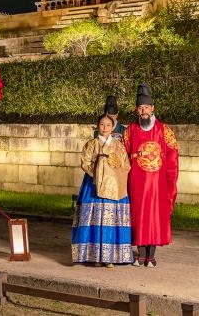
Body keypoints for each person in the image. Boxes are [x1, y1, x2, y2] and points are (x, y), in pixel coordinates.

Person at [122, 83, 179, 268]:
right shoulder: (129, 131)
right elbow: (122, 156)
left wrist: (170, 179)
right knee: (138, 215)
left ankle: (151, 255)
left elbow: (173, 156)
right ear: (136, 110)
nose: (143, 111)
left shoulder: (164, 130)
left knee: (154, 216)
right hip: (137, 183)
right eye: (140, 108)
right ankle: (141, 254)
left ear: (153, 108)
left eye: (146, 107)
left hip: (157, 184)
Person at [71, 114, 133, 267]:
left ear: (113, 128)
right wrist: (100, 172)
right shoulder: (91, 144)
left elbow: (126, 165)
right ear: (97, 126)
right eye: (102, 124)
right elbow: (85, 163)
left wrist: (113, 172)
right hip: (93, 184)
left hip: (114, 187)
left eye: (108, 125)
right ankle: (93, 255)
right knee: (94, 218)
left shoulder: (119, 146)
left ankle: (110, 256)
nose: (105, 128)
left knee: (111, 220)